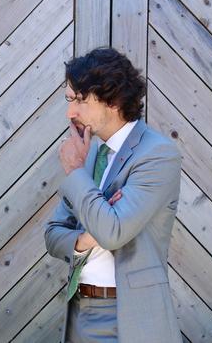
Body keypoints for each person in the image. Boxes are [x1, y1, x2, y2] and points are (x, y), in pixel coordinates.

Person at [44, 47, 182, 342]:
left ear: (114, 99)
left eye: (80, 100)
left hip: (129, 319)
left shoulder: (157, 154)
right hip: (79, 313)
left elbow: (114, 231)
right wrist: (87, 238)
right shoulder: (91, 153)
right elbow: (53, 235)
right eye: (69, 100)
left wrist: (75, 172)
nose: (70, 112)